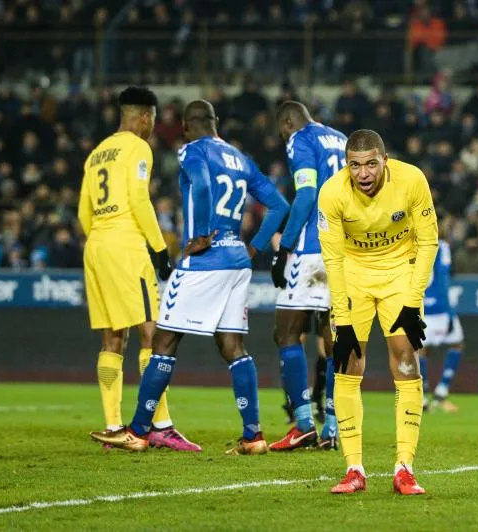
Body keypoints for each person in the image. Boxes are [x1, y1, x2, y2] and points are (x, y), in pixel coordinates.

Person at [90, 100, 290, 455]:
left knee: (163, 341)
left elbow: (199, 184)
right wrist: (255, 248)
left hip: (206, 259)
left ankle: (137, 432)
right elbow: (279, 205)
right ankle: (253, 436)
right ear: (215, 122)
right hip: (237, 259)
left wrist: (198, 234)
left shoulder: (191, 151)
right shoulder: (239, 158)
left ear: (185, 125)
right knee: (233, 347)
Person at [78, 86, 198, 452]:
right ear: (145, 117)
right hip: (126, 246)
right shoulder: (137, 147)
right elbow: (138, 199)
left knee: (112, 338)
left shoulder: (97, 153)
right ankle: (158, 424)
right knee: (153, 334)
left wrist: (102, 236)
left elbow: (84, 212)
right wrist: (160, 247)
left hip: (96, 246)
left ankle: (113, 426)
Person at [318, 129, 438, 495]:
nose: (364, 173)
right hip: (353, 275)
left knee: (405, 357)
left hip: (400, 271)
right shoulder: (332, 193)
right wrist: (341, 315)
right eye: (355, 165)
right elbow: (333, 260)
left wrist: (413, 303)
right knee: (347, 360)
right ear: (346, 166)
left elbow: (429, 240)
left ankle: (405, 467)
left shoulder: (412, 179)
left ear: (385, 160)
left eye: (371, 163)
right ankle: (354, 468)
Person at [269, 101, 347, 452]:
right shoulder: (341, 139)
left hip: (312, 250)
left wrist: (284, 246)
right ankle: (333, 425)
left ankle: (302, 424)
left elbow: (306, 195)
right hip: (343, 249)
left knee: (286, 332)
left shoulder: (300, 138)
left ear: (287, 122)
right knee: (334, 339)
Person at [419, 234, 464, 413]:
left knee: (422, 349)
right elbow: (444, 275)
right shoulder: (442, 246)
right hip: (440, 307)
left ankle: (425, 396)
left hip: (422, 303)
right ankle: (439, 392)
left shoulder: (411, 241)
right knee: (455, 344)